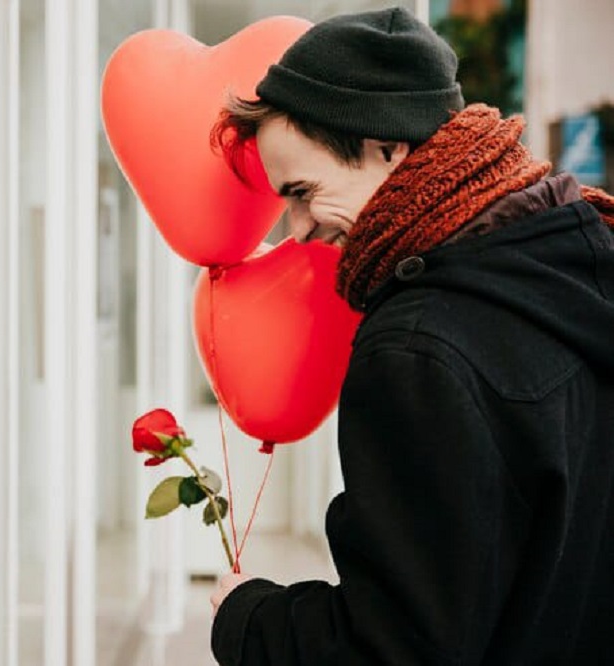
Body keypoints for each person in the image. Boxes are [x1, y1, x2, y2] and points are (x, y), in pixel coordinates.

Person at [207, 6, 614, 665]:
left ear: (387, 146)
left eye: (304, 191)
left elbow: (394, 647)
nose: (298, 229)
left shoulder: (417, 349)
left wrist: (250, 619)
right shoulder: (576, 260)